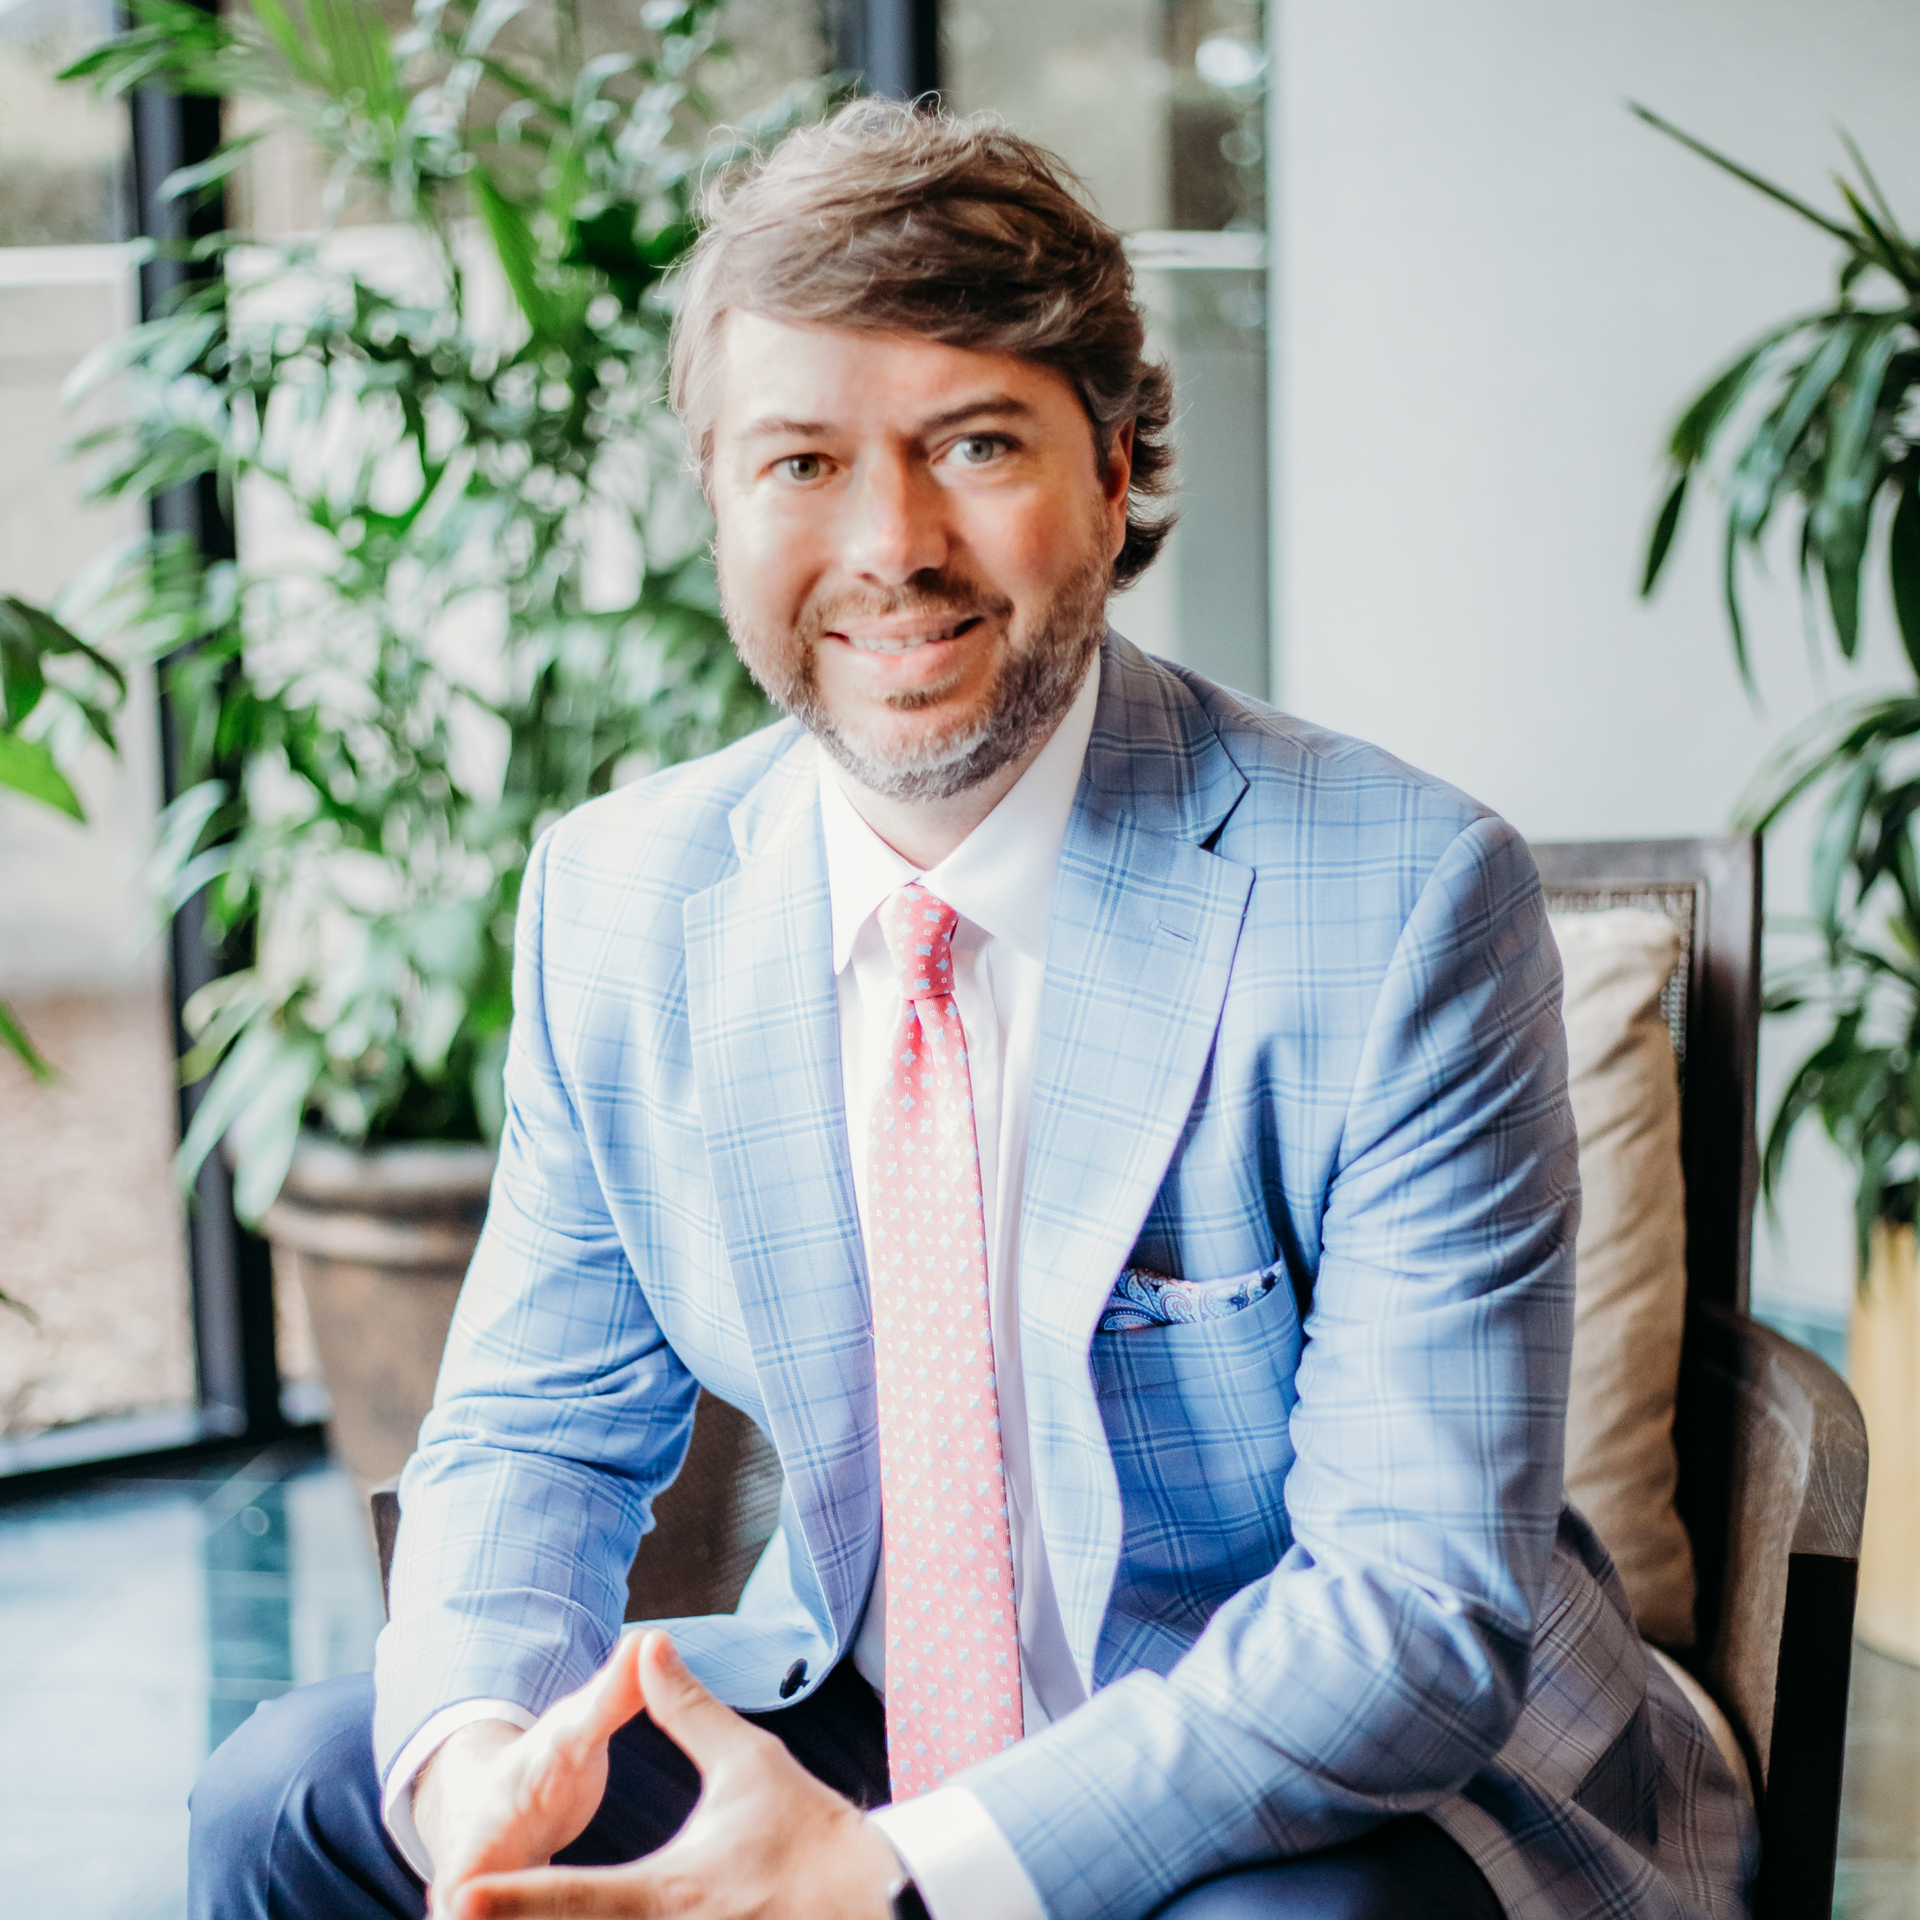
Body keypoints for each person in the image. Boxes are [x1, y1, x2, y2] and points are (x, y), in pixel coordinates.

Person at [189, 102, 1755, 1920]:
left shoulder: (1401, 899)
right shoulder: (620, 905)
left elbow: (1409, 1615)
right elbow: (532, 1432)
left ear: (1113, 469)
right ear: (715, 495)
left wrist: (891, 1873)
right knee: (288, 1803)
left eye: (975, 442)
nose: (891, 543)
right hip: (864, 1706)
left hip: (1339, 1774)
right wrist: (472, 1766)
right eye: (798, 463)